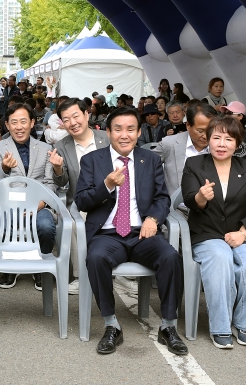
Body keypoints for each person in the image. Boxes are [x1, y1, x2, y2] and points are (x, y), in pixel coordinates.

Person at [74, 107, 186, 356]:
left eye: (130, 129)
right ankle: (111, 324)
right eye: (118, 129)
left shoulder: (152, 159)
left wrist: (153, 219)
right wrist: (107, 185)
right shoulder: (93, 161)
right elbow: (81, 201)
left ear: (138, 132)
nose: (124, 135)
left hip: (142, 233)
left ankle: (168, 326)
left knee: (170, 257)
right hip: (108, 234)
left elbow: (162, 198)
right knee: (96, 258)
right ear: (108, 131)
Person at [181, 115, 246, 349]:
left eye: (228, 139)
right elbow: (190, 200)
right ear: (207, 140)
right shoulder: (194, 165)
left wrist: (243, 232)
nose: (221, 144)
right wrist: (201, 197)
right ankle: (220, 326)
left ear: (238, 143)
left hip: (241, 234)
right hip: (207, 233)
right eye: (216, 138)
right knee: (220, 258)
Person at [0, 103, 56, 290]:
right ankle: (8, 265)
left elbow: (50, 182)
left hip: (38, 204)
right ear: (7, 125)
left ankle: (41, 266)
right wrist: (4, 168)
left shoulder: (45, 148)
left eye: (23, 121)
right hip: (7, 205)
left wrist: (40, 204)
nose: (19, 127)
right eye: (14, 122)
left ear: (32, 123)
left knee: (46, 226)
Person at [50, 99, 109, 295]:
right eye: (66, 120)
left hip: (112, 200)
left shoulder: (106, 138)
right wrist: (58, 167)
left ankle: (124, 276)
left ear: (86, 114)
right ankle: (80, 276)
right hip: (81, 203)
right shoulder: (62, 145)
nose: (72, 123)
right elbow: (61, 182)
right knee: (74, 222)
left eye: (76, 116)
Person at [155, 102, 217, 196]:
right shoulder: (169, 144)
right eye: (200, 131)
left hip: (211, 207)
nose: (205, 136)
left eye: (210, 130)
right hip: (176, 208)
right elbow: (145, 165)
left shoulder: (220, 147)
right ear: (188, 125)